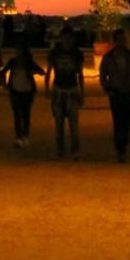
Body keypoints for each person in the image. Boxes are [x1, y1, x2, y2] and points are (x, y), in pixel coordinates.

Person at [98, 28, 130, 162]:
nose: (122, 41)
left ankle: (124, 145)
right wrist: (108, 89)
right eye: (119, 39)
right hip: (116, 93)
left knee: (127, 121)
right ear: (115, 41)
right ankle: (120, 148)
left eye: (123, 39)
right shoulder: (108, 58)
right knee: (118, 121)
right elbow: (102, 75)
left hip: (129, 92)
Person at [45, 25, 85, 160]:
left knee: (74, 124)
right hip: (59, 89)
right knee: (59, 123)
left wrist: (82, 92)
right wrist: (47, 88)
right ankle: (61, 149)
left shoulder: (76, 53)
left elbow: (80, 74)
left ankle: (75, 150)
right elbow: (49, 71)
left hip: (71, 88)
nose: (67, 40)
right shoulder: (55, 53)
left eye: (69, 37)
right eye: (65, 37)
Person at [2, 38, 44, 148]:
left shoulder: (28, 62)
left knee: (25, 115)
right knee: (17, 115)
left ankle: (25, 135)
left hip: (27, 92)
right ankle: (18, 137)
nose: (18, 53)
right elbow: (2, 72)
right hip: (15, 91)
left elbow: (41, 71)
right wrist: (5, 85)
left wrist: (32, 72)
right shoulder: (13, 62)